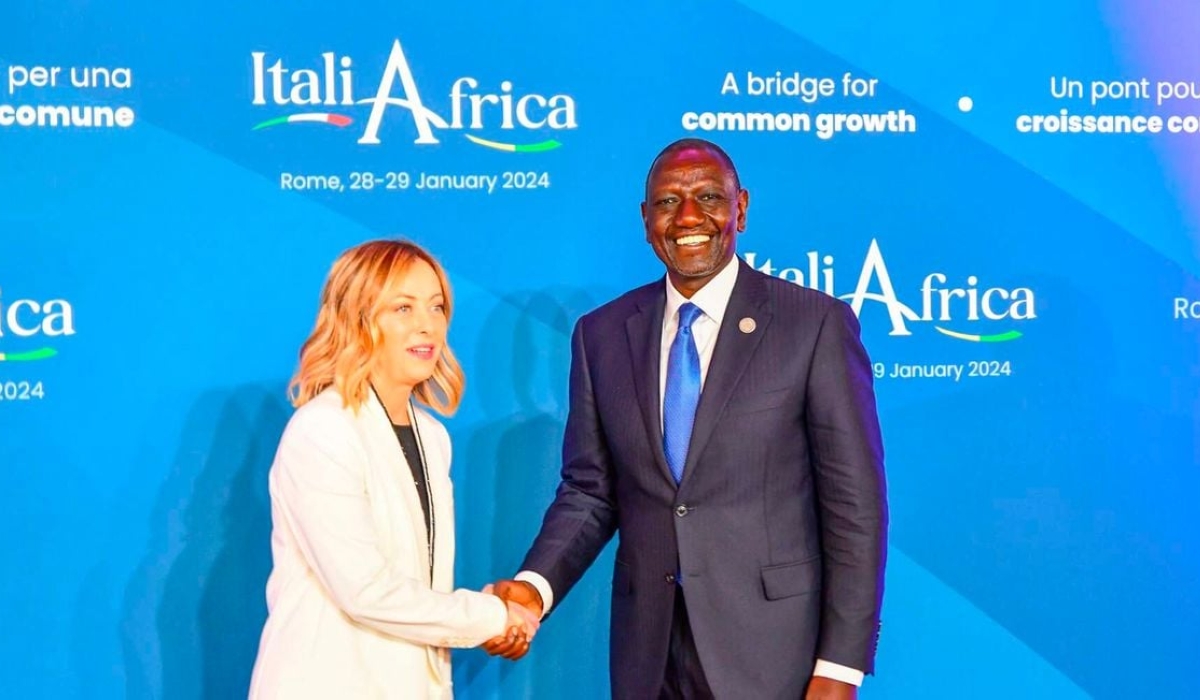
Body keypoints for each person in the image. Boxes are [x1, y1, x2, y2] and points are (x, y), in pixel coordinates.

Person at [485, 139, 888, 699]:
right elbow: (590, 491)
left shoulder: (813, 325)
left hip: (776, 658)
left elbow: (854, 509)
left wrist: (840, 667)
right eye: (669, 202)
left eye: (708, 197)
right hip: (649, 658)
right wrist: (533, 588)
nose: (689, 217)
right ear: (646, 220)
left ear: (740, 208)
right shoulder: (602, 334)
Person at [249, 239, 539, 699]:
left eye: (436, 306)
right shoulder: (323, 429)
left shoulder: (432, 436)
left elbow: (413, 584)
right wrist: (490, 617)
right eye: (403, 308)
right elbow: (364, 590)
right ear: (357, 319)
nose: (427, 325)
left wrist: (487, 615)